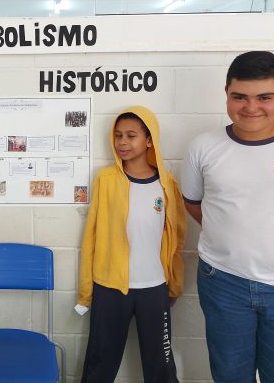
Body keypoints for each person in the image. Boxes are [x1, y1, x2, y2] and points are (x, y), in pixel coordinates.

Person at [182, 51, 274, 382]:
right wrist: (231, 235)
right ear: (226, 93)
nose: (251, 107)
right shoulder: (203, 147)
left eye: (264, 97)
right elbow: (193, 204)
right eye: (240, 97)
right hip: (223, 284)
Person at [77, 106, 186, 383]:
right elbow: (91, 237)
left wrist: (174, 284)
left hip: (154, 287)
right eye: (118, 135)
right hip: (110, 287)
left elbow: (176, 240)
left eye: (131, 135)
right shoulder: (106, 180)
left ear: (149, 140)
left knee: (161, 363)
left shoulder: (167, 184)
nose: (122, 142)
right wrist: (86, 292)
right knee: (100, 360)